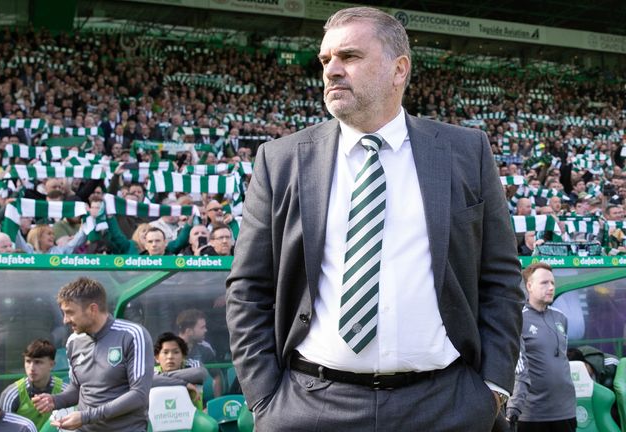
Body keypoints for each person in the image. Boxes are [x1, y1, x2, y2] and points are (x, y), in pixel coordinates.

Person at [225, 7, 523, 431]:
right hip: (311, 406)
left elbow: (501, 276)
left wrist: (492, 387)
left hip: (447, 405)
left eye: (349, 56)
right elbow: (248, 287)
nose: (332, 71)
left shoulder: (466, 151)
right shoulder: (280, 159)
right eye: (326, 60)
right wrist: (264, 398)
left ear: (399, 69)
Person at [32, 277, 153, 431]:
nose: (65, 320)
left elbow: (139, 395)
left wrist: (86, 417)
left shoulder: (133, 335)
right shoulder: (73, 342)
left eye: (70, 313)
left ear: (92, 309)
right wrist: (55, 401)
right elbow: (77, 389)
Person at [507, 263, 577, 431]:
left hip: (566, 411)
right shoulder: (519, 319)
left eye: (553, 283)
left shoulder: (561, 318)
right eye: (544, 283)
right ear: (529, 286)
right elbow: (518, 370)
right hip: (532, 414)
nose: (551, 287)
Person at [0, 339, 68, 431]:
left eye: (38, 362)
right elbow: (3, 428)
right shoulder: (10, 394)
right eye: (28, 361)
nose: (31, 368)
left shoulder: (65, 392)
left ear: (51, 365)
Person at [152, 332, 206, 410]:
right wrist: (185, 383)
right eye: (165, 352)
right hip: (160, 418)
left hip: (194, 418)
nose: (170, 357)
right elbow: (148, 380)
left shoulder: (192, 366)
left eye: (176, 352)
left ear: (183, 356)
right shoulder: (153, 372)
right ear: (157, 358)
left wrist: (162, 378)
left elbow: (200, 373)